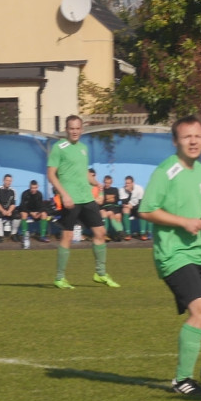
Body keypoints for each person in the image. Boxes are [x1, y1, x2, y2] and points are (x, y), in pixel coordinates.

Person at [139, 115, 201, 396]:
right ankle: (182, 380)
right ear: (175, 141)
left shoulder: (199, 170)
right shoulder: (165, 171)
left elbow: (195, 209)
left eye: (197, 136)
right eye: (186, 137)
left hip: (198, 252)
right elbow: (146, 210)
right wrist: (183, 222)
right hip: (173, 254)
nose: (193, 141)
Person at [47, 115, 120, 289]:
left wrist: (94, 181)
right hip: (70, 199)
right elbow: (51, 174)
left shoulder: (83, 148)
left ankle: (100, 273)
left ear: (82, 129)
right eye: (71, 128)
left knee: (100, 232)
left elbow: (82, 171)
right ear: (66, 130)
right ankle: (59, 278)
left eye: (78, 128)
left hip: (86, 197)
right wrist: (64, 195)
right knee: (68, 236)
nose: (75, 131)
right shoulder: (59, 148)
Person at [120, 175, 149, 240]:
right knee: (125, 210)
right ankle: (128, 234)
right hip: (129, 208)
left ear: (133, 183)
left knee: (142, 210)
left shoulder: (139, 189)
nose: (127, 185)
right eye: (126, 183)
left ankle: (143, 233)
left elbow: (141, 203)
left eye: (128, 183)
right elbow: (124, 203)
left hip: (137, 208)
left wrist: (132, 206)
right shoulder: (122, 190)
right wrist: (130, 192)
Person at [99, 174, 126, 242]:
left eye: (109, 183)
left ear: (111, 183)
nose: (107, 184)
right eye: (105, 182)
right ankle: (108, 233)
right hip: (106, 207)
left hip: (115, 207)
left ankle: (119, 234)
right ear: (103, 182)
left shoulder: (115, 190)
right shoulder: (102, 190)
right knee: (110, 213)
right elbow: (100, 201)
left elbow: (119, 200)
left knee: (118, 216)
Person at [0, 174, 18, 242]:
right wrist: (3, 211)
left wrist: (9, 211)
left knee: (18, 216)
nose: (8, 182)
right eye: (7, 180)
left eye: (10, 181)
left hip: (9, 210)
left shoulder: (13, 191)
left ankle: (13, 234)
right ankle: (0, 236)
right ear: (3, 180)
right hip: (0, 210)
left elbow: (13, 204)